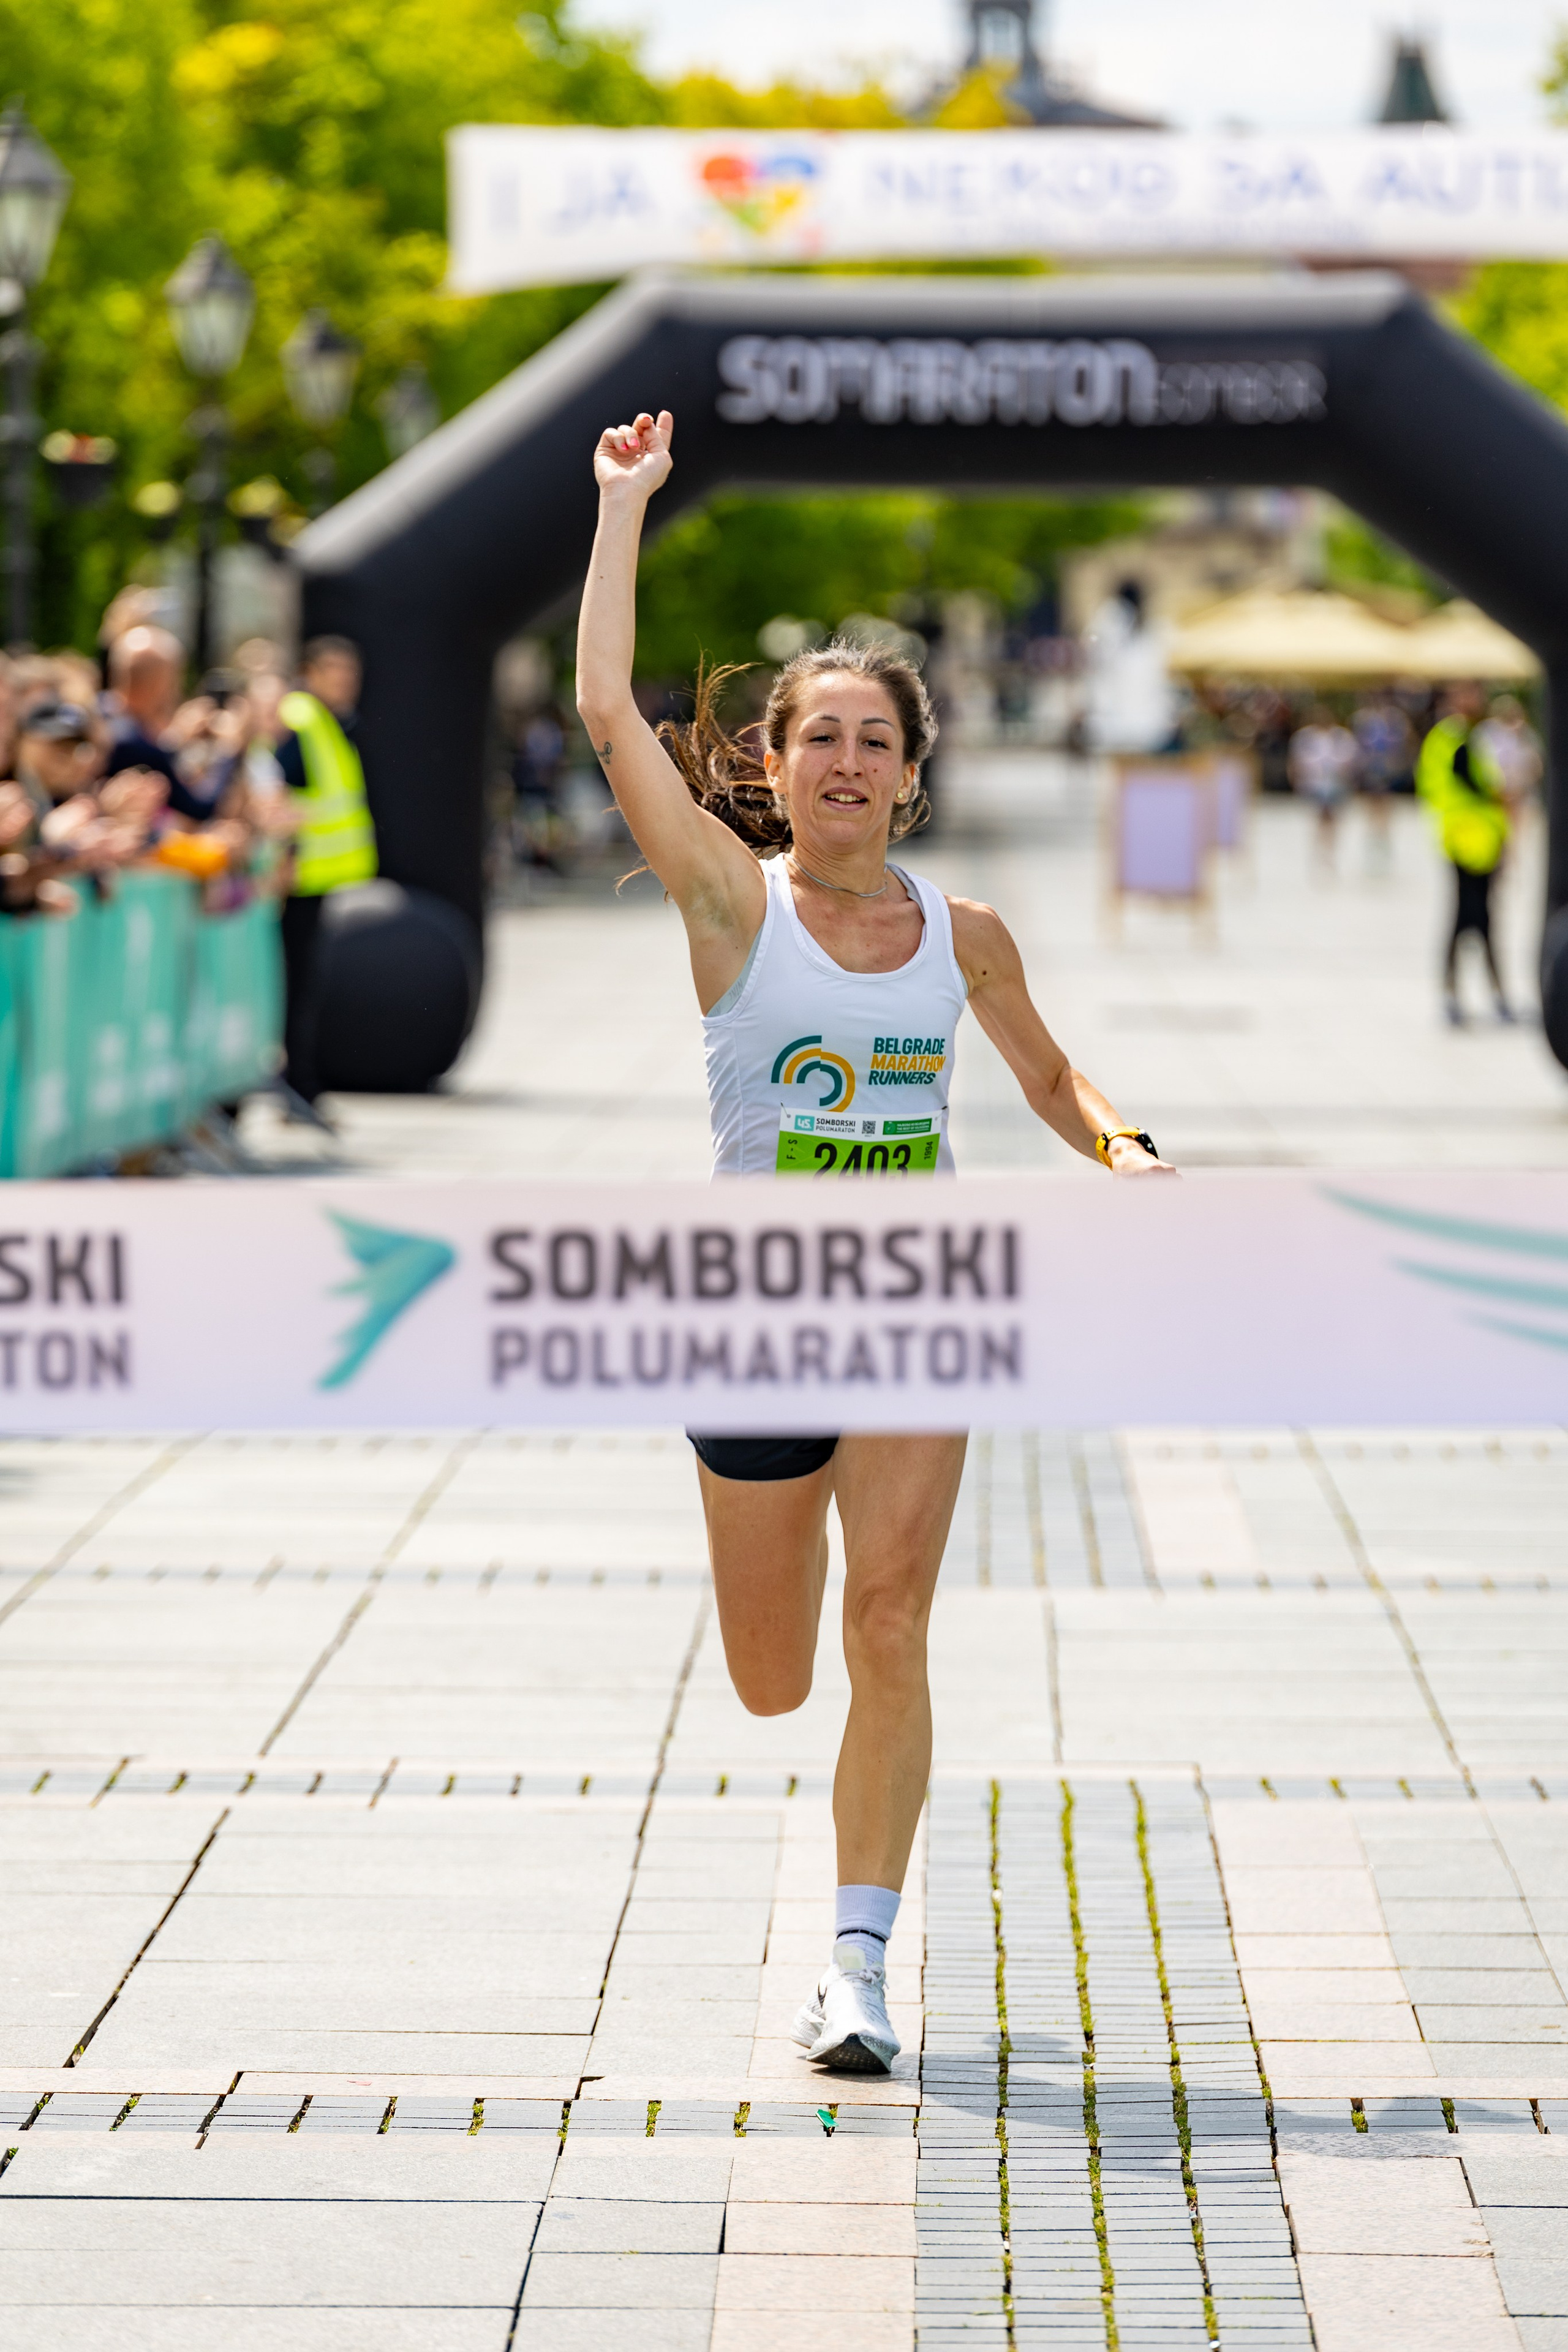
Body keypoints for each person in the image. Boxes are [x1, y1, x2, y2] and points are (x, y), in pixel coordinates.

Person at [576, 409, 1174, 2077]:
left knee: (892, 1620)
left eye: (873, 739)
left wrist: (1126, 1151)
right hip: (756, 1314)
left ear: (912, 770)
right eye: (815, 736)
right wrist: (625, 510)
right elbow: (601, 708)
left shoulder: (963, 934)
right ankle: (832, 1885)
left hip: (915, 1301)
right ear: (768, 764)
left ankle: (858, 1971)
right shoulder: (725, 904)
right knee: (774, 1679)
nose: (844, 762)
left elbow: (1054, 1081)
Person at [273, 635, 378, 1106]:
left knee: (303, 981)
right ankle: (296, 1082)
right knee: (293, 983)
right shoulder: (301, 720)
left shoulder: (327, 723)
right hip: (292, 879)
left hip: (312, 878)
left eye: (350, 672)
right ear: (309, 672)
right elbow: (281, 796)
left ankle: (299, 1079)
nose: (345, 681)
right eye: (334, 670)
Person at [1417, 682, 1515, 1027]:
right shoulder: (1456, 738)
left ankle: (1476, 993)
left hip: (1476, 842)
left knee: (1474, 920)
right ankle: (1471, 994)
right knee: (1471, 919)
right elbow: (1472, 785)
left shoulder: (1462, 737)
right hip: (1468, 841)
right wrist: (1499, 796)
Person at [1288, 704, 1358, 869]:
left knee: (1332, 820)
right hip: (1314, 785)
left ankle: (1329, 851)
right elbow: (1296, 763)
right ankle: (1319, 851)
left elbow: (1350, 763)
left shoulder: (1341, 737)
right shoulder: (1305, 737)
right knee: (1319, 819)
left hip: (1335, 785)